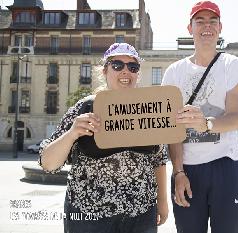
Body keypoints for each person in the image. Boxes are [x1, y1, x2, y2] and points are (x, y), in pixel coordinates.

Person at [39, 43, 168, 233]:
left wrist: (162, 201)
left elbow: (159, 159)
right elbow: (48, 164)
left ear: (137, 74)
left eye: (133, 67)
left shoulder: (147, 111)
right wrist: (72, 133)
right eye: (117, 65)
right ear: (105, 71)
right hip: (89, 217)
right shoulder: (84, 108)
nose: (126, 71)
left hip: (141, 216)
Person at [161, 1, 238, 233]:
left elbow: (235, 117)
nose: (206, 26)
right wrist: (178, 172)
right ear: (190, 28)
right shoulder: (174, 72)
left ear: (220, 27)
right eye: (200, 21)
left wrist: (206, 124)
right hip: (188, 169)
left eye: (212, 21)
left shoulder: (233, 65)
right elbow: (173, 130)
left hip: (225, 165)